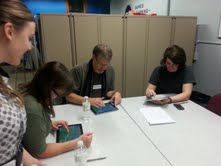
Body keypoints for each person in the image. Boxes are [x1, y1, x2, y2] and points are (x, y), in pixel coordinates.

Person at [0, 1, 45, 165]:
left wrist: (27, 159)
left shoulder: (3, 81)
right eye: (29, 38)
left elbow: (8, 140)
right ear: (10, 31)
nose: (30, 47)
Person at [21, 61, 93, 158]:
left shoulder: (33, 91)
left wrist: (48, 124)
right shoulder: (33, 109)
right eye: (57, 94)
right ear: (47, 86)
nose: (55, 98)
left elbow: (31, 125)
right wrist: (77, 142)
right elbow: (40, 152)